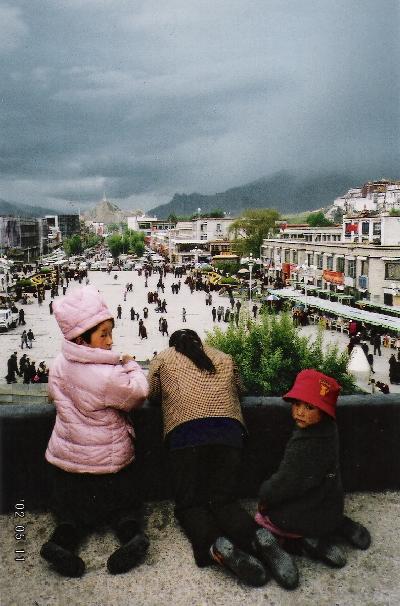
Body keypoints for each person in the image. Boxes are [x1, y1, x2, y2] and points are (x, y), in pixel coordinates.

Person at [40, 286, 149, 578]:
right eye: (103, 334)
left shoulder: (59, 364)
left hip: (67, 462)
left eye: (111, 332)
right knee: (123, 510)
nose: (110, 341)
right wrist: (131, 364)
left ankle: (60, 544)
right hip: (108, 464)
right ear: (81, 338)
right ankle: (132, 538)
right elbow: (139, 393)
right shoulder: (107, 375)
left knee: (72, 517)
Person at [147, 330, 270, 587]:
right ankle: (258, 538)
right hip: (229, 433)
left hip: (186, 435)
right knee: (224, 500)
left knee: (190, 504)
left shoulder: (162, 358)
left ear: (173, 344)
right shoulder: (224, 356)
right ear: (199, 342)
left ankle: (215, 545)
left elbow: (153, 395)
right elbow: (241, 389)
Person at [256, 369, 371, 585]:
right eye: (297, 404)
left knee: (263, 517)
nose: (300, 412)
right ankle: (337, 526)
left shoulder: (304, 444)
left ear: (324, 412)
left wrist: (265, 495)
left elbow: (285, 483)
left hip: (305, 517)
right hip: (330, 509)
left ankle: (297, 542)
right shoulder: (330, 430)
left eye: (309, 407)